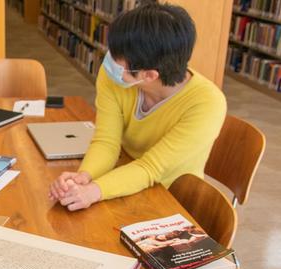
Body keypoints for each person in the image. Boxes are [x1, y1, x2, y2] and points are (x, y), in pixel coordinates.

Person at [49, 3, 227, 211]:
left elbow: (151, 168)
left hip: (171, 196)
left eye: (118, 60)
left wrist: (94, 190)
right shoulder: (113, 77)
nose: (109, 62)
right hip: (122, 178)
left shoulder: (207, 104)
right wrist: (84, 177)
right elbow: (107, 141)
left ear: (149, 75)